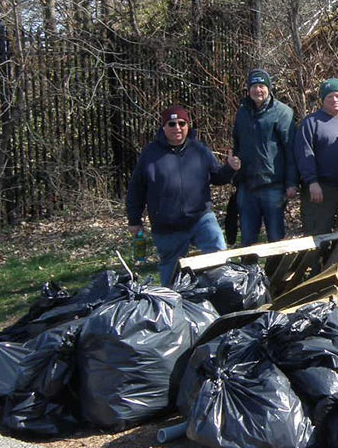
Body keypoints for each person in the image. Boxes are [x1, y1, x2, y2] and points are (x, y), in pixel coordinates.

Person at [126, 105, 240, 286]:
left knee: (218, 256)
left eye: (182, 123)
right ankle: (171, 306)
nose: (177, 128)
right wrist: (134, 220)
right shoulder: (150, 154)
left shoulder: (200, 150)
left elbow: (217, 177)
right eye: (171, 124)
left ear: (188, 126)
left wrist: (230, 169)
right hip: (167, 225)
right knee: (171, 273)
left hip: (200, 218)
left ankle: (221, 296)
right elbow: (136, 189)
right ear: (163, 127)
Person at [231, 68, 296, 246]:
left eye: (261, 86)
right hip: (247, 186)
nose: (258, 90)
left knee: (276, 241)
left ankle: (277, 274)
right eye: (254, 86)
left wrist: (291, 183)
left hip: (273, 186)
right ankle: (249, 273)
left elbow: (291, 150)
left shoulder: (283, 113)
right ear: (248, 89)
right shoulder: (242, 113)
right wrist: (234, 169)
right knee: (247, 241)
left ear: (269, 88)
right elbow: (236, 144)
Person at [293, 78, 338, 236]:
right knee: (318, 235)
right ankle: (316, 262)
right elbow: (304, 154)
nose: (335, 99)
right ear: (323, 100)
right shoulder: (311, 123)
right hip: (321, 188)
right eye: (330, 97)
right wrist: (312, 182)